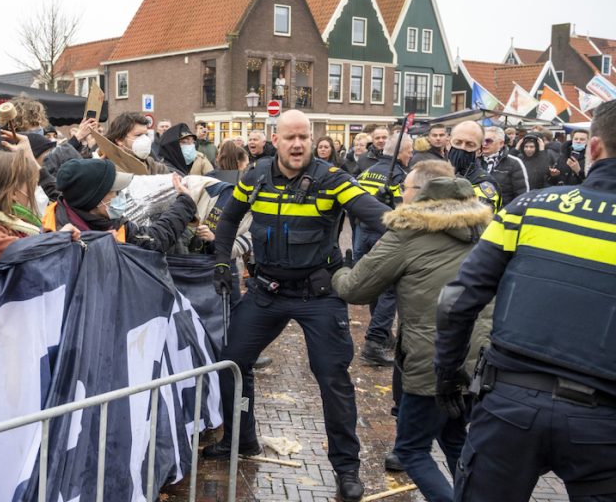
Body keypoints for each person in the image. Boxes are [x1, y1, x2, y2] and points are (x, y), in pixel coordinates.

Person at [204, 110, 392, 502]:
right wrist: (223, 260)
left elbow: (374, 216)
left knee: (333, 380)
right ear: (276, 140)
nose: (297, 144)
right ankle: (243, 439)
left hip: (318, 297)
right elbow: (228, 221)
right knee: (233, 363)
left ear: (312, 139)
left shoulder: (333, 179)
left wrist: (410, 222)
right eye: (289, 137)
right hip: (266, 292)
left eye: (304, 137)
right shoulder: (254, 176)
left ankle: (346, 469)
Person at [435, 100, 616, 502]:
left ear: (595, 148)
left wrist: (447, 373)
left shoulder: (530, 208)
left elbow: (458, 300)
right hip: (604, 423)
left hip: (509, 405)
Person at [333, 160, 493, 502]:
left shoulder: (407, 231)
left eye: (404, 188)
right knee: (454, 439)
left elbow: (355, 289)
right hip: (478, 357)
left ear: (420, 192)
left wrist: (340, 269)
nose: (399, 194)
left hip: (431, 359)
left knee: (411, 451)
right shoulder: (485, 229)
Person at [44, 159, 196, 253]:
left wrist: (184, 202)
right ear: (94, 199)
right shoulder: (60, 237)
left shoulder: (111, 223)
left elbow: (154, 239)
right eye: (115, 192)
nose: (121, 195)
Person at [354, 133, 413, 366]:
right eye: (409, 151)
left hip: (362, 235)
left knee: (375, 287)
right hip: (385, 236)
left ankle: (383, 333)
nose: (411, 155)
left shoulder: (367, 172)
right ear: (400, 152)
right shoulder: (399, 176)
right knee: (389, 290)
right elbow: (403, 211)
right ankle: (375, 342)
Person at [0, 141, 79, 261]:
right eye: (33, 186)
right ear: (13, 193)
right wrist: (56, 239)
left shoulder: (21, 223)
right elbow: (14, 250)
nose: (35, 191)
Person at [448, 121, 501, 212]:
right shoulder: (435, 174)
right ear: (448, 144)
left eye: (470, 144)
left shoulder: (483, 183)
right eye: (458, 142)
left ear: (479, 151)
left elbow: (481, 220)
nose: (462, 147)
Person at [99, 111, 169, 174]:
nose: (145, 139)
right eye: (138, 135)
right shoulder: (107, 168)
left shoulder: (154, 167)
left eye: (146, 134)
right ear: (119, 140)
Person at [480, 126, 528, 207]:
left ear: (501, 143)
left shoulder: (514, 163)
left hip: (502, 214)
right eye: (482, 140)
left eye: (489, 141)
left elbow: (522, 195)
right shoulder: (473, 160)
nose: (484, 144)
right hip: (476, 214)